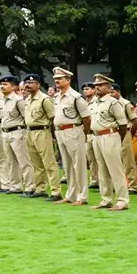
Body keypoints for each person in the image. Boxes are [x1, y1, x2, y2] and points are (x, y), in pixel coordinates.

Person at [89, 74, 130, 211]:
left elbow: (123, 124)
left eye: (100, 85)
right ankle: (106, 199)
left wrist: (118, 138)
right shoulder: (94, 102)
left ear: (108, 87)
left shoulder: (113, 102)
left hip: (110, 135)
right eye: (95, 86)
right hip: (96, 136)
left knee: (115, 169)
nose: (97, 88)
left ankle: (122, 200)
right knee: (102, 169)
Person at [52, 67, 91, 205]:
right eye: (55, 79)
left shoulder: (75, 97)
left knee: (78, 164)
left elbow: (86, 118)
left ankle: (82, 196)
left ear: (68, 80)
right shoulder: (56, 97)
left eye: (60, 79)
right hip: (60, 131)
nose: (56, 81)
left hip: (73, 130)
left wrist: (84, 133)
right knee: (67, 165)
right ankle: (71, 194)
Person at [20, 73, 61, 200]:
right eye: (26, 83)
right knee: (36, 163)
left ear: (38, 84)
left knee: (49, 162)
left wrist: (54, 135)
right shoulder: (27, 99)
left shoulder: (44, 99)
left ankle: (56, 191)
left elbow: (52, 117)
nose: (28, 85)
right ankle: (40, 188)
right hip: (30, 132)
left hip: (42, 131)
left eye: (31, 83)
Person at [0, 75, 34, 196]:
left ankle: (30, 186)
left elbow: (26, 117)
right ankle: (15, 186)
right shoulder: (2, 100)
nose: (2, 86)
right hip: (5, 132)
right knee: (10, 161)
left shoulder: (18, 100)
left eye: (5, 84)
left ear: (14, 87)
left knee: (23, 160)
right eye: (1, 84)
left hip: (18, 131)